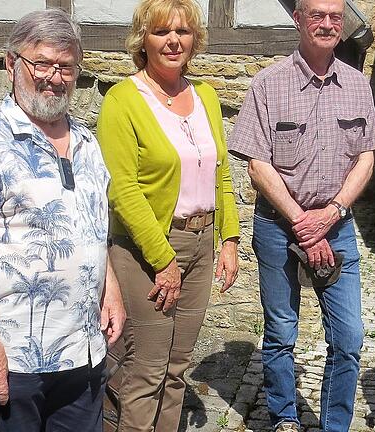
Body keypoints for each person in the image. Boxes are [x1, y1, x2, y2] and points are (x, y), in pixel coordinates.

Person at [0, 9, 125, 431]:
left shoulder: (86, 142)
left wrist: (109, 287)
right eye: (41, 63)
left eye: (66, 66)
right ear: (11, 64)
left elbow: (90, 228)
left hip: (84, 351)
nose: (53, 77)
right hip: (13, 359)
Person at [228, 0, 375, 429]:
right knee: (281, 332)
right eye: (318, 15)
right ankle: (284, 417)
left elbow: (366, 158)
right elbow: (258, 165)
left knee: (349, 337)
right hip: (279, 227)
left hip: (338, 226)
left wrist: (331, 214)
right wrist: (304, 223)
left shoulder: (357, 84)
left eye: (336, 17)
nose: (328, 24)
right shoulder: (267, 84)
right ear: (298, 20)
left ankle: (334, 424)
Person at [96, 0, 241, 429]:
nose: (173, 40)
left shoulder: (206, 97)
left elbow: (222, 173)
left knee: (177, 370)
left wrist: (229, 239)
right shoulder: (123, 101)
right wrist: (163, 260)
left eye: (183, 31)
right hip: (147, 250)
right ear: (144, 40)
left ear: (195, 39)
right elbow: (122, 191)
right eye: (162, 32)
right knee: (146, 371)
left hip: (201, 241)